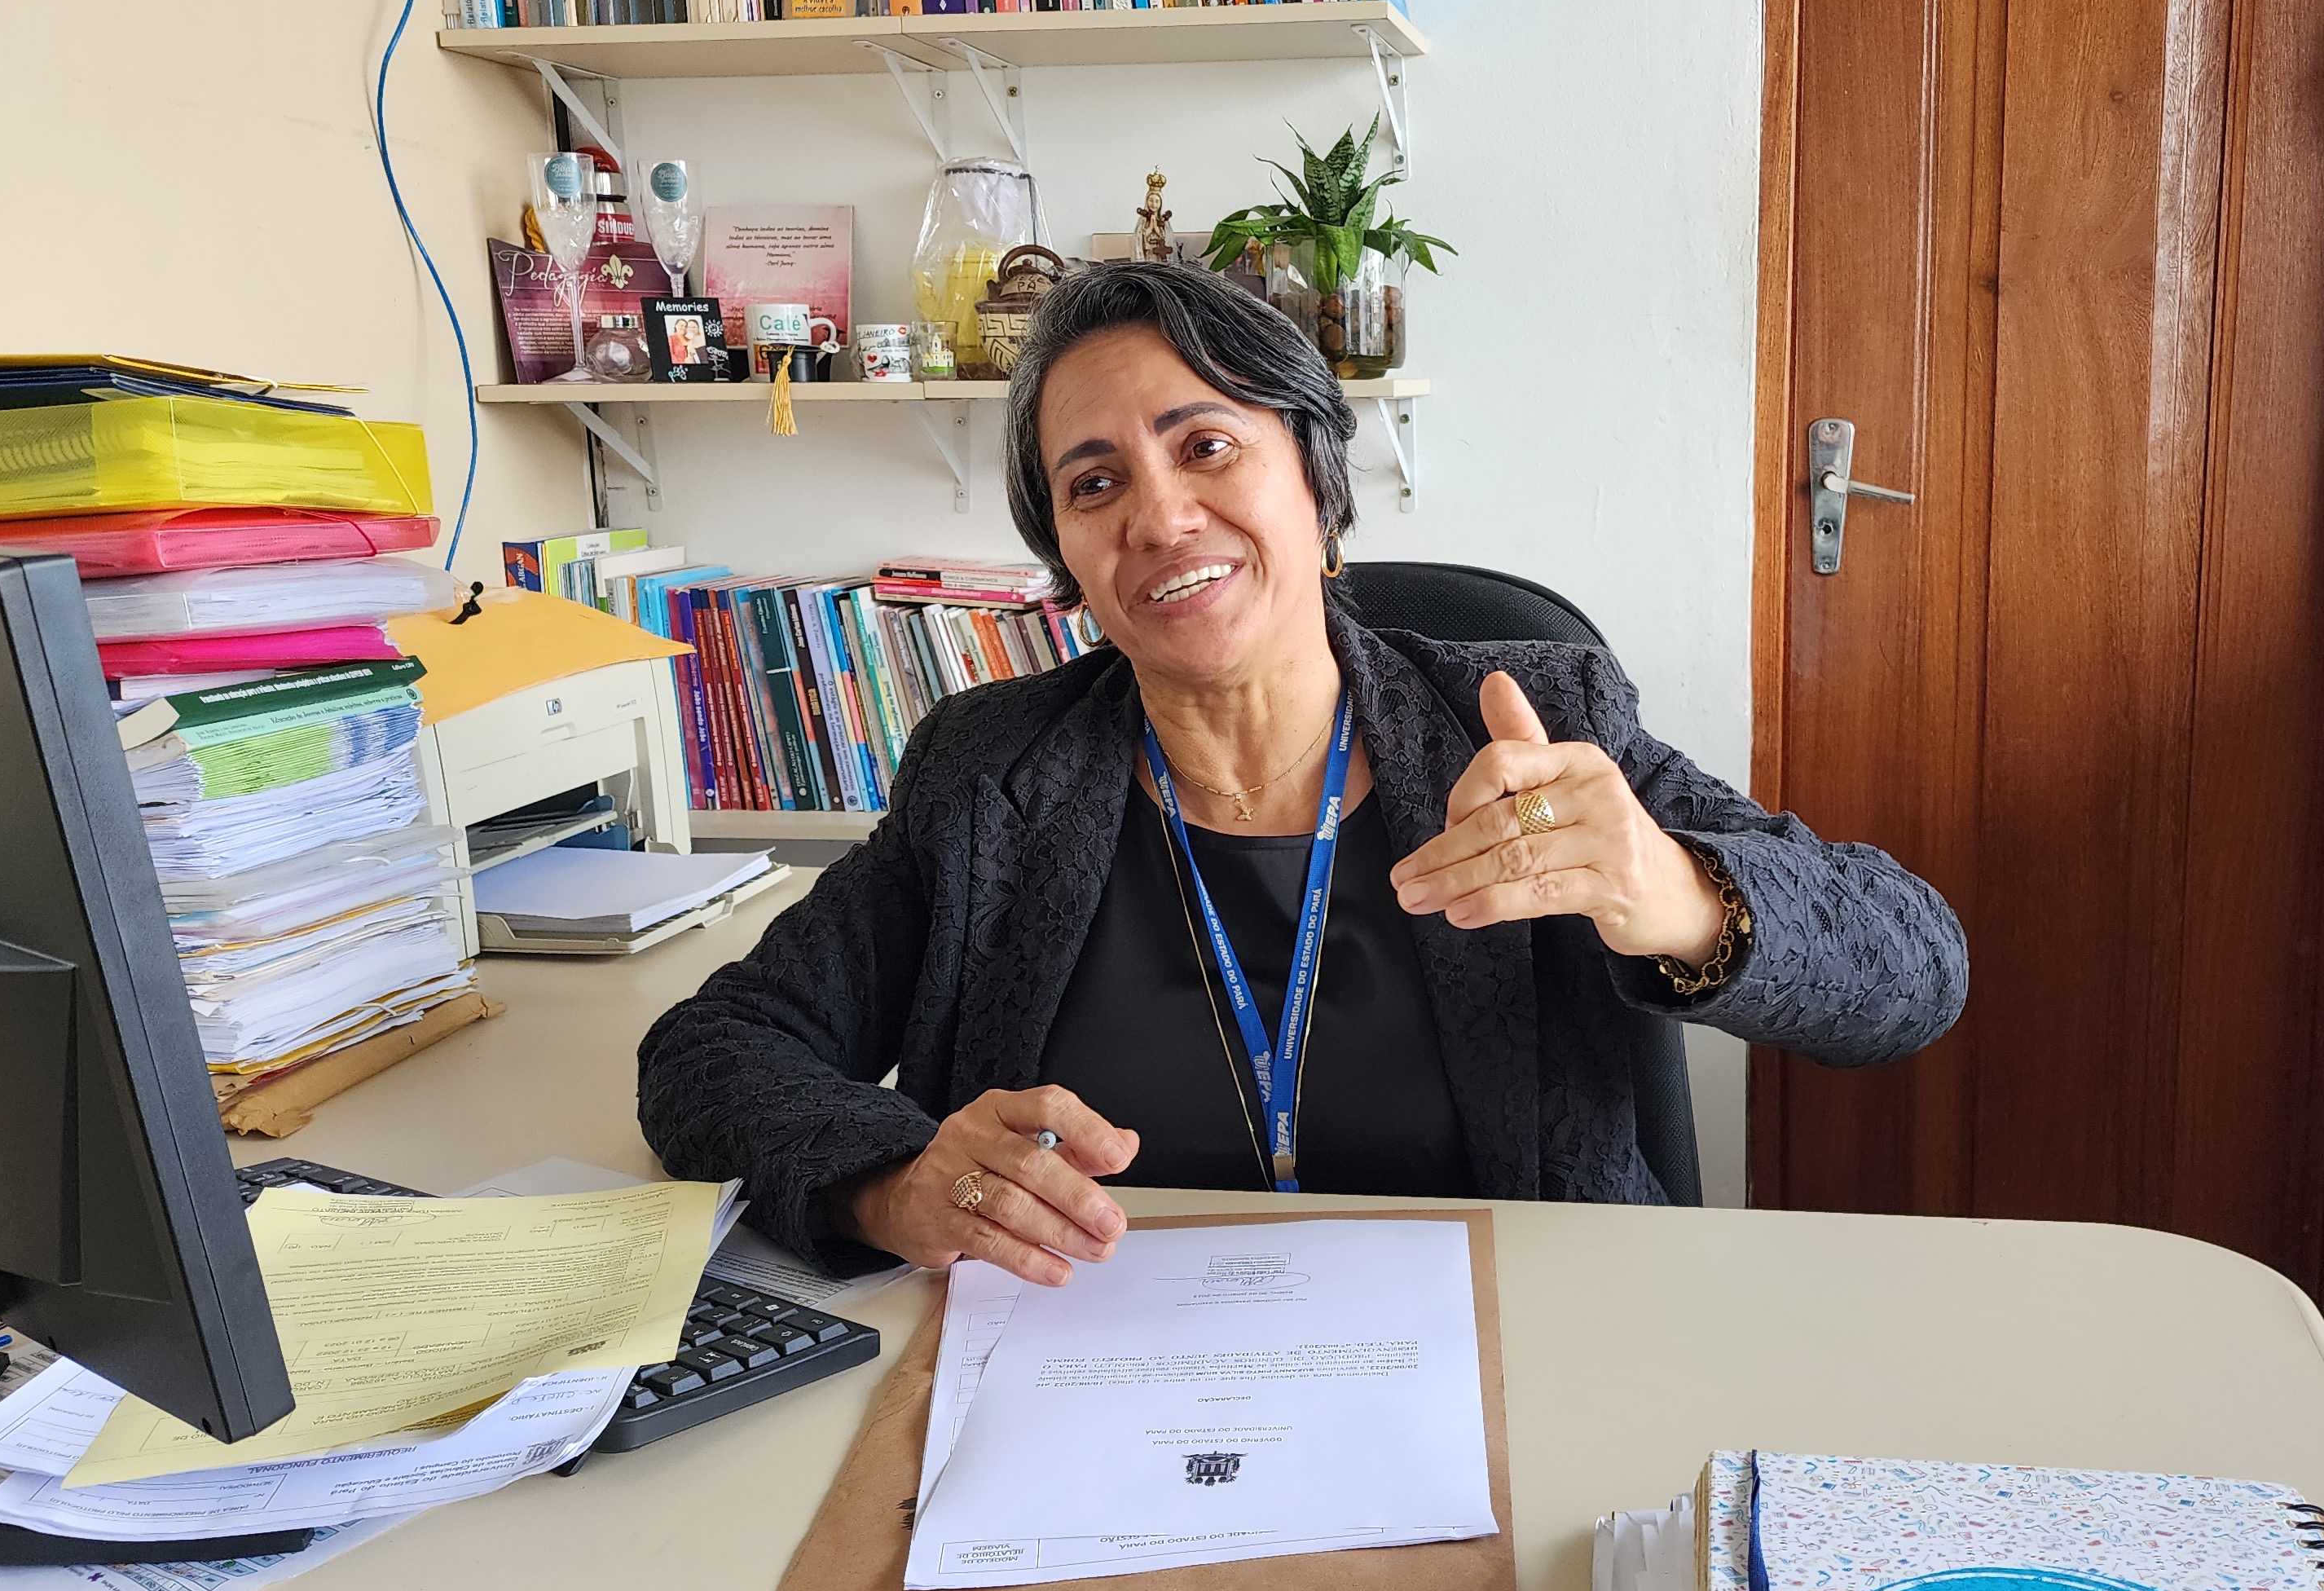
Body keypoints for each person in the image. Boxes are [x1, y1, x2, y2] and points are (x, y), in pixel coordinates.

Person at [636, 260, 1967, 1285]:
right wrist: (891, 1183)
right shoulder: (989, 778)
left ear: (1319, 488)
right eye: (1094, 486)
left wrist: (1672, 891)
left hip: (1512, 1358)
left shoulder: (1535, 724)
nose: (1161, 517)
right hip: (1095, 1382)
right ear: (1070, 571)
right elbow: (709, 1051)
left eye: (1206, 445)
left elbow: (1916, 966)